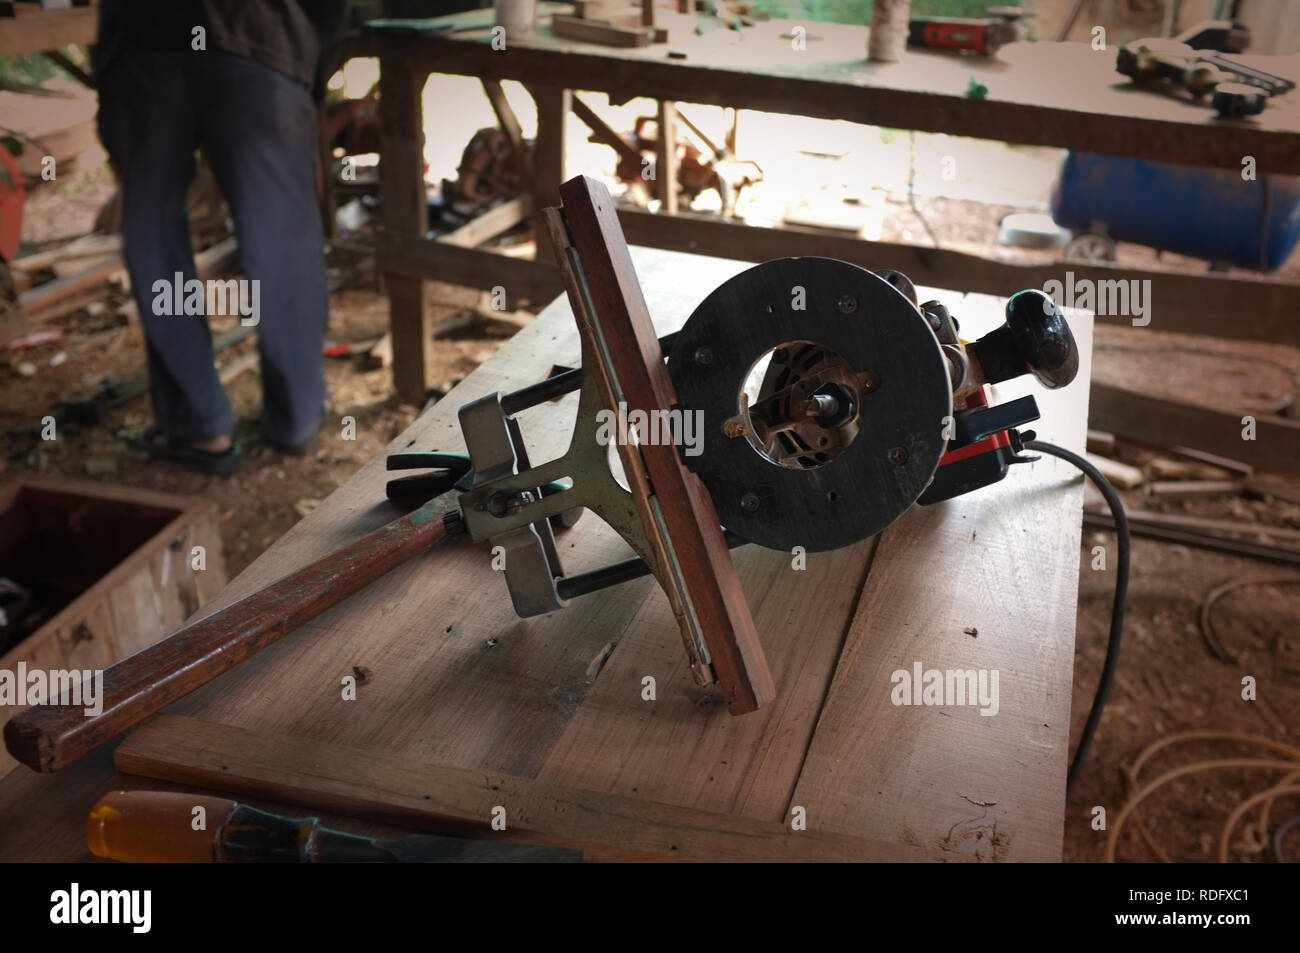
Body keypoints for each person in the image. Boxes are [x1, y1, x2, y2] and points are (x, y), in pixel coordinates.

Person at [93, 0, 349, 474]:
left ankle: (198, 424)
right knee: (281, 235)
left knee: (156, 235)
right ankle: (297, 414)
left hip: (143, 39)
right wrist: (309, 66)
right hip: (257, 39)